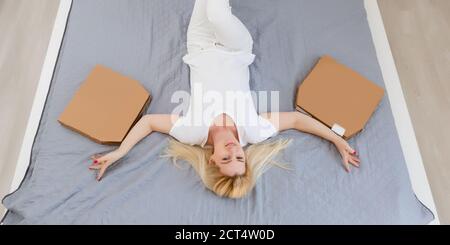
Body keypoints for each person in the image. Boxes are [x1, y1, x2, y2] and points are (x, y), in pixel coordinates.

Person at [89, 0, 360, 198]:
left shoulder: (191, 133)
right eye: (239, 158)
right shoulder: (253, 132)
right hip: (236, 49)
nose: (233, 151)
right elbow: (297, 120)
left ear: (211, 160)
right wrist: (337, 139)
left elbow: (148, 123)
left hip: (198, 44)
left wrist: (120, 152)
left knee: (209, 7)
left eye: (226, 159)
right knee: (217, 14)